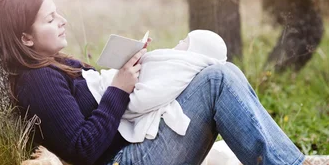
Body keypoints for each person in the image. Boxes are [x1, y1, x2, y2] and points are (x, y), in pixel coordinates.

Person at [0, 0, 329, 165]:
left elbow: (109, 99)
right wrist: (119, 88)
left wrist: (139, 72)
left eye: (59, 14)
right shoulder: (37, 80)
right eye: (50, 19)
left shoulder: (59, 64)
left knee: (217, 73)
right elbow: (83, 151)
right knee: (217, 77)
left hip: (138, 154)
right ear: (26, 38)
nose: (63, 21)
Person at [82, 30, 228, 143]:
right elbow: (150, 76)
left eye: (185, 41)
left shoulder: (178, 71)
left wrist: (120, 92)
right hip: (106, 89)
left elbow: (143, 100)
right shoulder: (172, 65)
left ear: (192, 53)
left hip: (112, 98)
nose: (179, 41)